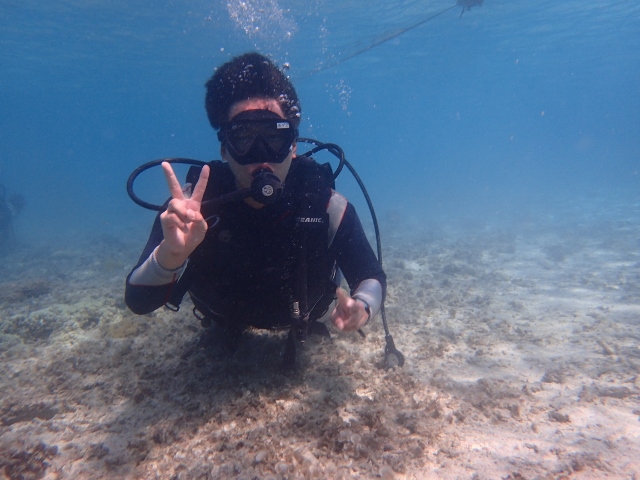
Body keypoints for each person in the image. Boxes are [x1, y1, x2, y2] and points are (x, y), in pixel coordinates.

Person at [125, 52, 385, 366]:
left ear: (293, 146)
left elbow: (370, 275)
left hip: (302, 316)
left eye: (275, 137)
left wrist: (363, 306)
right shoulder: (191, 210)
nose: (261, 156)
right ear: (224, 148)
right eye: (243, 138)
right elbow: (138, 302)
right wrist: (170, 256)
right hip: (221, 315)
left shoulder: (327, 206)